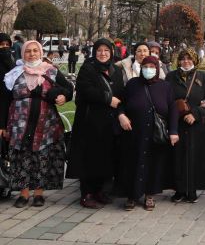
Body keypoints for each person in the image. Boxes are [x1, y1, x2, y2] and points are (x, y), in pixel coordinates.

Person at [2, 40, 73, 208]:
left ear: (40, 53)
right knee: (21, 157)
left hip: (46, 124)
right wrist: (2, 126)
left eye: (35, 51)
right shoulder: (14, 73)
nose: (32, 54)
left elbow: (68, 89)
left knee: (42, 157)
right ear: (22, 53)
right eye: (28, 51)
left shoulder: (51, 71)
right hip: (19, 123)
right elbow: (4, 100)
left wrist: (64, 97)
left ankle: (39, 194)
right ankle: (23, 193)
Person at [117, 55, 179, 211]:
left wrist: (173, 131)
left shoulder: (165, 86)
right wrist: (121, 115)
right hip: (134, 131)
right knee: (133, 162)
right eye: (145, 67)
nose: (148, 70)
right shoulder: (132, 84)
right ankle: (132, 195)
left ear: (157, 68)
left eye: (152, 67)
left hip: (155, 133)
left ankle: (149, 194)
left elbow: (173, 109)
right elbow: (121, 103)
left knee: (154, 163)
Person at [65, 39, 122, 208]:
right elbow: (86, 89)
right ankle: (87, 193)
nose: (102, 53)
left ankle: (100, 191)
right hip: (89, 121)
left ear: (111, 52)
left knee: (104, 156)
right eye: (99, 50)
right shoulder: (88, 68)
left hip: (108, 121)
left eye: (106, 50)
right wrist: (107, 98)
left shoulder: (116, 70)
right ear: (94, 51)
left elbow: (120, 90)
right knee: (88, 158)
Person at [166, 49, 205, 203]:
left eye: (189, 58)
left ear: (195, 60)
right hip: (177, 122)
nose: (186, 61)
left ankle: (192, 189)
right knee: (177, 156)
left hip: (196, 124)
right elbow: (166, 98)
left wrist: (195, 113)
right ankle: (179, 189)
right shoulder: (171, 77)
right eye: (183, 58)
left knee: (194, 156)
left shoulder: (204, 77)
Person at [0, 33, 15, 199]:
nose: (4, 48)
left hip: (11, 114)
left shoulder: (11, 64)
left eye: (6, 44)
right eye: (1, 45)